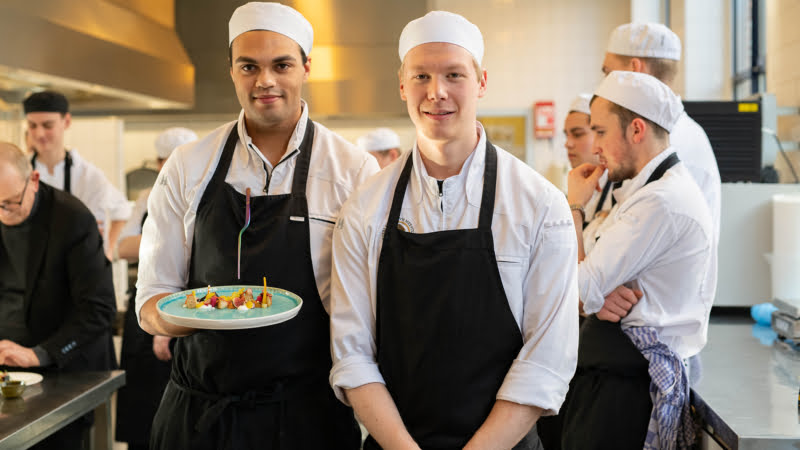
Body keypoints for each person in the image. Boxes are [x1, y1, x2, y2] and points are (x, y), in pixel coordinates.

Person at [329, 11, 578, 449]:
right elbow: (352, 356)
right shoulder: (364, 209)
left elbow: (546, 360)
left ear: (481, 82)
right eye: (421, 75)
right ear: (403, 85)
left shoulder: (539, 205)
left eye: (454, 75)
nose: (436, 92)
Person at [136, 3, 379, 449]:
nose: (264, 81)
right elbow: (151, 302)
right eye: (249, 66)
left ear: (306, 67)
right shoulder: (189, 166)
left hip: (307, 418)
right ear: (231, 70)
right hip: (199, 419)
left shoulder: (353, 170)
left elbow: (367, 308)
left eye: (281, 65)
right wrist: (202, 314)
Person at [558, 71, 715, 449]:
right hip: (611, 375)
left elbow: (577, 288)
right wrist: (596, 290)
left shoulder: (660, 201)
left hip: (626, 389)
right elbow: (587, 284)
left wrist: (574, 206)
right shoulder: (644, 193)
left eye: (599, 131)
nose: (595, 147)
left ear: (637, 130)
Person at [0, 142, 117, 450]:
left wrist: (41, 353)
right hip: (8, 371)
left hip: (66, 367)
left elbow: (99, 308)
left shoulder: (72, 219)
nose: (3, 213)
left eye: (10, 202)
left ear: (34, 182)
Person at [115, 127, 198, 450]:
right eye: (165, 162)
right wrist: (169, 241)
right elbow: (121, 248)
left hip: (189, 312)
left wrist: (157, 243)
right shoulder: (146, 197)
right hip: (146, 310)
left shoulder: (205, 193)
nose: (170, 169)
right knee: (142, 417)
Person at [601, 22, 721, 245]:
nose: (604, 83)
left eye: (608, 72)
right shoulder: (672, 133)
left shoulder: (668, 142)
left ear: (634, 69)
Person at [23, 91, 132, 260]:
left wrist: (108, 251)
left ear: (66, 121)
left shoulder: (89, 175)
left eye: (47, 125)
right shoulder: (21, 172)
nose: (39, 134)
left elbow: (122, 210)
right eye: (32, 126)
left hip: (79, 265)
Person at [563, 93, 615, 252]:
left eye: (578, 134)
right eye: (566, 135)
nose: (568, 144)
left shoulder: (620, 191)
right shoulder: (574, 187)